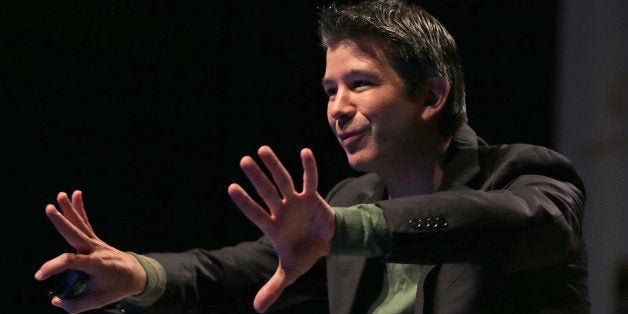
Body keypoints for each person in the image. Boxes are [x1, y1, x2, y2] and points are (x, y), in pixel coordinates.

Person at [34, 0, 590, 313]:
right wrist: (139, 273)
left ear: (432, 95)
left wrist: (349, 229)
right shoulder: (346, 202)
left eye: (360, 84)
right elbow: (236, 270)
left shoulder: (524, 173)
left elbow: (522, 224)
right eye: (330, 91)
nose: (338, 108)